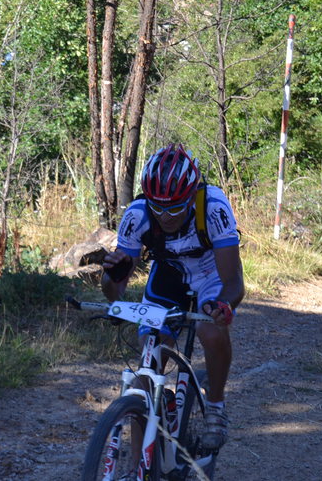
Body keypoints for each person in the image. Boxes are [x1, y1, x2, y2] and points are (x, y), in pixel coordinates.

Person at [101, 143, 244, 450]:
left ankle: (215, 406)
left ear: (191, 197)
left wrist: (223, 306)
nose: (165, 216)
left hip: (212, 272)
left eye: (176, 208)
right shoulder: (137, 215)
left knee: (209, 328)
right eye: (158, 207)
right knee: (148, 363)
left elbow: (233, 282)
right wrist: (111, 277)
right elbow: (115, 296)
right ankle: (139, 464)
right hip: (169, 275)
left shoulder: (214, 207)